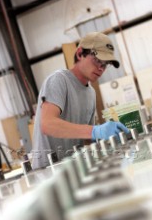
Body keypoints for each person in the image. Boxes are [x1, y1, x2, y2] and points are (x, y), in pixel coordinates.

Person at [32, 31, 130, 169]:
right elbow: (47, 124)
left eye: (106, 64)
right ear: (79, 54)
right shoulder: (59, 80)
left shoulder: (90, 93)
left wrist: (113, 144)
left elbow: (87, 140)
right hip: (47, 172)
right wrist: (95, 131)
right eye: (97, 60)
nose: (101, 68)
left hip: (73, 170)